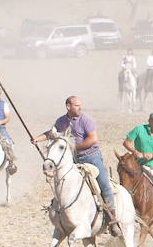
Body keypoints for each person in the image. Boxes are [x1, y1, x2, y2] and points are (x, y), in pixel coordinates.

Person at [34, 96, 120, 236]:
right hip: (73, 159)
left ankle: (113, 220)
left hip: (91, 156)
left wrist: (73, 147)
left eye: (80, 105)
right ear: (68, 106)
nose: (80, 107)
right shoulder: (61, 121)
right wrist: (38, 139)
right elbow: (52, 133)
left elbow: (93, 139)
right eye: (76, 105)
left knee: (105, 185)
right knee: (63, 182)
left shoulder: (86, 120)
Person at [123, 112, 153, 215]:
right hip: (137, 164)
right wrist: (135, 152)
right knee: (125, 179)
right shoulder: (139, 129)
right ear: (149, 121)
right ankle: (123, 205)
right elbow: (126, 142)